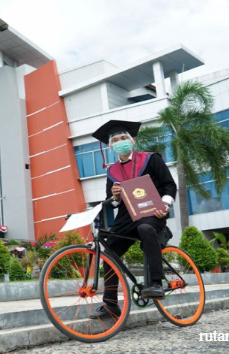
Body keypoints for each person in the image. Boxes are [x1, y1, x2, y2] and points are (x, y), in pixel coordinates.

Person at [90, 120, 177, 319]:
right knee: (109, 252)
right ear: (110, 146)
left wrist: (165, 205)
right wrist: (114, 196)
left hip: (152, 213)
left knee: (146, 229)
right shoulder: (112, 172)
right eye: (115, 140)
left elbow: (169, 185)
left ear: (132, 140)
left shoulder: (151, 159)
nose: (120, 142)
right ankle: (111, 304)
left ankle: (156, 283)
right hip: (125, 218)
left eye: (123, 138)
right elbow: (112, 203)